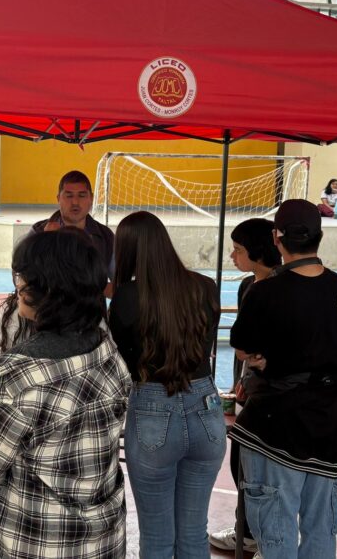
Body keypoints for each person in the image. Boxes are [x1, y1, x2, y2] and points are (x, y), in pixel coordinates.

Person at [0, 229, 132, 558]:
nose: (18, 285)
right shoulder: (107, 351)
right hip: (103, 541)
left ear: (51, 290)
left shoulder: (14, 380)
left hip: (35, 544)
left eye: (24, 277)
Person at [228, 199, 337, 558]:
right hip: (327, 425)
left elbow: (242, 349)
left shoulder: (266, 291)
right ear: (319, 237)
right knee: (319, 529)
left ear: (276, 238)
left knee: (276, 532)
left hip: (277, 426)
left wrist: (268, 359)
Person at [108, 211, 223, 558]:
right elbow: (206, 347)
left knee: (157, 536)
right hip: (207, 407)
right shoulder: (205, 286)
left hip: (153, 409)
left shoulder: (126, 297)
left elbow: (121, 363)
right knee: (193, 533)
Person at [209, 217, 281, 553]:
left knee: (267, 468)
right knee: (242, 461)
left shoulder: (286, 287)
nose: (233, 257)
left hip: (277, 394)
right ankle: (248, 529)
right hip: (252, 388)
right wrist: (240, 381)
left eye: (238, 250)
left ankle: (263, 533)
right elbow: (243, 346)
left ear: (257, 251)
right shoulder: (245, 286)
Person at [31, 170, 116, 279]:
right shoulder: (38, 232)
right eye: (69, 196)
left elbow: (117, 282)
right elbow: (22, 277)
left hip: (90, 296)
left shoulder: (105, 236)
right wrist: (46, 242)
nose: (75, 202)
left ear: (91, 198)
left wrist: (96, 288)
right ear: (58, 199)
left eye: (81, 195)